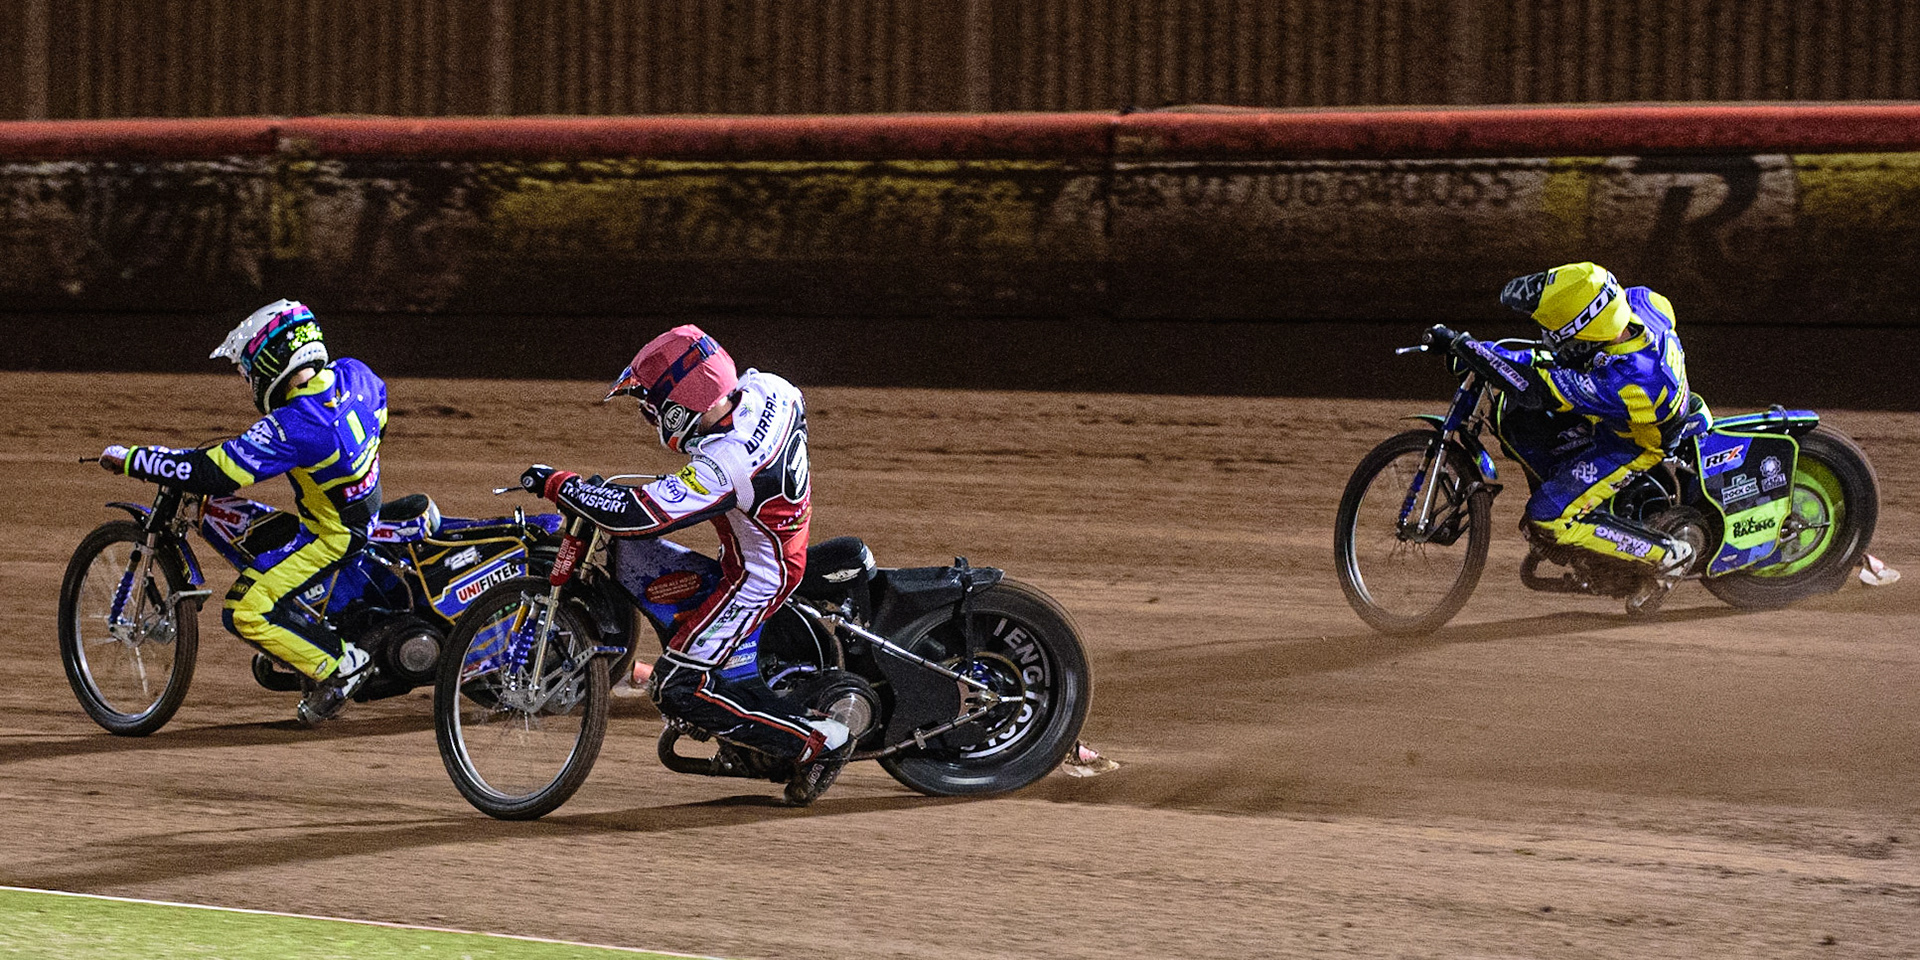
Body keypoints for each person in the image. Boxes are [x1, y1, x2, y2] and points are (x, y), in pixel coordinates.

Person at [517, 324, 850, 806]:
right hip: (771, 535)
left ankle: (816, 745)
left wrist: (559, 484)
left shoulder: (726, 462)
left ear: (679, 406)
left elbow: (638, 517)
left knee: (677, 688)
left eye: (650, 403)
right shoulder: (769, 388)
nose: (647, 413)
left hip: (759, 576)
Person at [99, 300, 387, 724]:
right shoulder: (355, 375)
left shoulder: (296, 423)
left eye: (249, 368)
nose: (248, 378)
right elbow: (381, 414)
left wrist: (133, 459)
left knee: (245, 610)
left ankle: (343, 665)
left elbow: (214, 473)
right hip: (361, 511)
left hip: (332, 536)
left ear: (273, 359)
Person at [1431, 262, 1707, 607]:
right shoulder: (1640, 303)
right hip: (1643, 406)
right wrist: (1485, 352)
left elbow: (1539, 388)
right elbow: (1583, 303)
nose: (1552, 341)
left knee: (1547, 515)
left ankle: (1668, 556)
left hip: (1632, 443)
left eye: (1563, 337)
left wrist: (1473, 350)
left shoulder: (1627, 381)